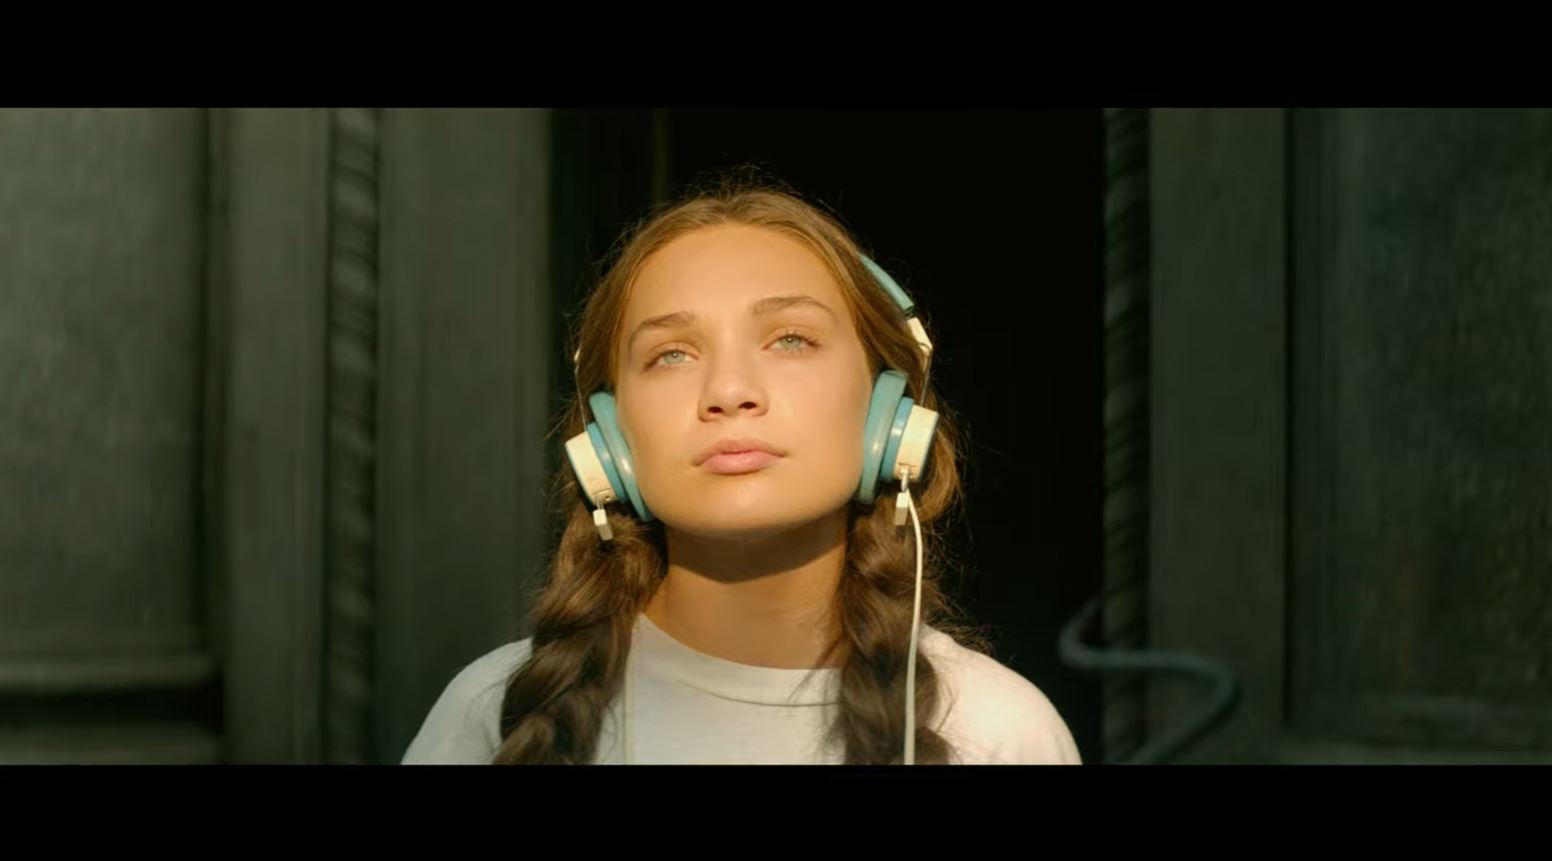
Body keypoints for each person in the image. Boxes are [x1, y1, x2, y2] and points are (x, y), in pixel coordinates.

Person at [402, 177, 1080, 765]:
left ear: (888, 410)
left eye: (791, 339)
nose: (729, 391)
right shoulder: (496, 714)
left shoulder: (993, 729)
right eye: (671, 354)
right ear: (608, 436)